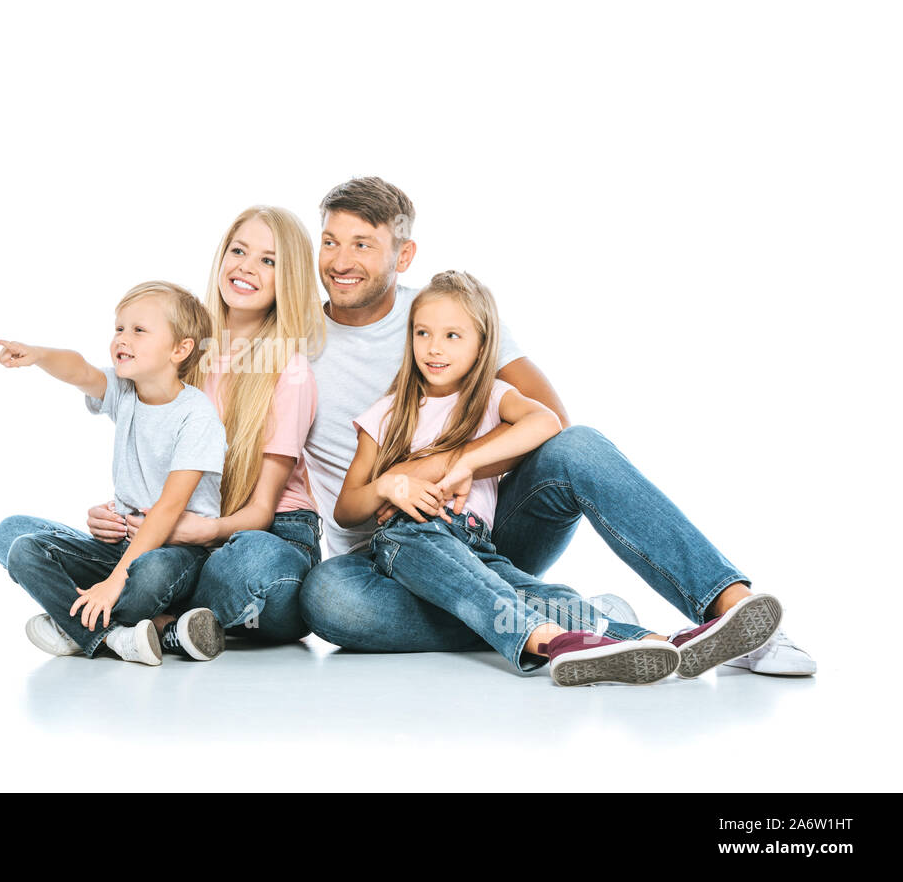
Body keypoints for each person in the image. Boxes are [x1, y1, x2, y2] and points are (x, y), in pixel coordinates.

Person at [300, 176, 815, 676]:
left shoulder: (441, 311)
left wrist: (444, 465)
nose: (342, 262)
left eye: (363, 244)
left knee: (580, 448)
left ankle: (737, 617)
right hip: (382, 558)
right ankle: (594, 625)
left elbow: (551, 422)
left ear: (403, 254)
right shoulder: (293, 339)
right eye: (330, 242)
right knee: (327, 600)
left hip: (485, 533)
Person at [334, 270, 783, 684]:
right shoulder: (389, 411)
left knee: (514, 587)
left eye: (453, 336)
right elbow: (346, 509)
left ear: (482, 344)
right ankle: (574, 639)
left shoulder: (492, 396)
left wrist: (464, 462)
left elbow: (547, 422)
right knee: (452, 565)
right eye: (423, 334)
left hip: (476, 542)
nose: (434, 348)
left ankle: (658, 643)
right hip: (408, 538)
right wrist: (388, 485)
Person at [87, 207, 328, 645]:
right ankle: (167, 622)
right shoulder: (180, 350)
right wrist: (119, 517)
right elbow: (158, 470)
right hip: (185, 532)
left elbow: (261, 510)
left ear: (287, 279)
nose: (246, 267)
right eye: (239, 250)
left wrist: (206, 532)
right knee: (21, 537)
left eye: (268, 260)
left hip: (269, 531)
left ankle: (149, 613)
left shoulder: (289, 372)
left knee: (253, 564)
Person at [0, 281, 227, 666]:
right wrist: (37, 354)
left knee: (148, 575)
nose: (122, 338)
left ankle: (78, 622)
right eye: (119, 328)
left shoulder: (196, 416)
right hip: (118, 548)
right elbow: (79, 369)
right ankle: (119, 634)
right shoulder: (123, 390)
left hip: (175, 554)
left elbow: (168, 509)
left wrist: (115, 581)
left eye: (139, 330)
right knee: (13, 537)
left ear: (180, 349)